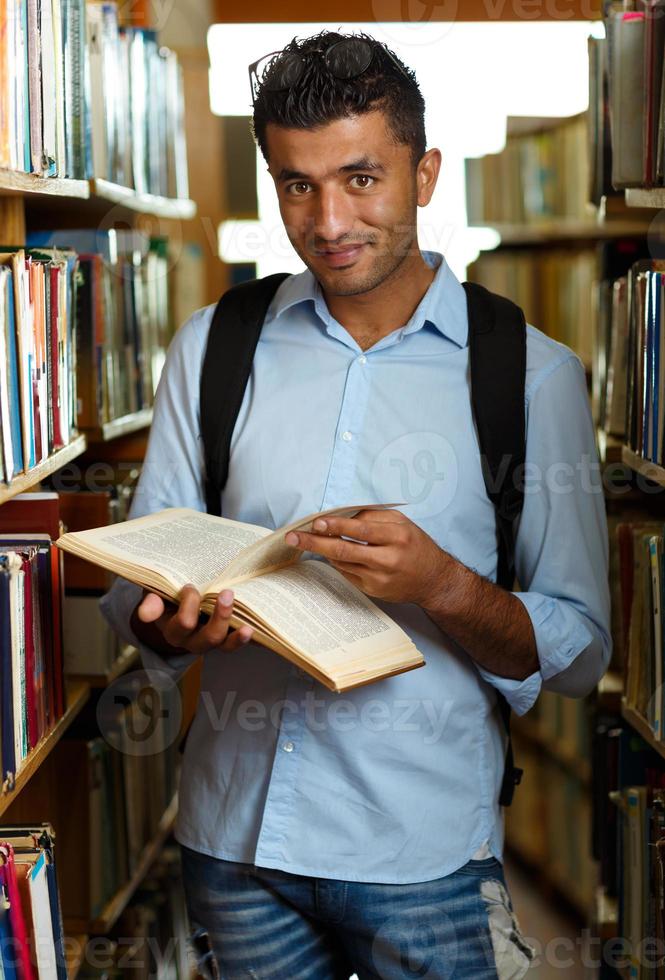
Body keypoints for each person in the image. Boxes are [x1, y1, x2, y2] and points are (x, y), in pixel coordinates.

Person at [101, 30, 611, 980]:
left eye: (361, 178)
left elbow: (579, 653)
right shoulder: (213, 348)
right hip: (236, 845)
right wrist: (174, 627)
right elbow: (138, 594)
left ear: (424, 175)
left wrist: (443, 585)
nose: (328, 219)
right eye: (296, 184)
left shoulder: (529, 376)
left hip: (426, 858)